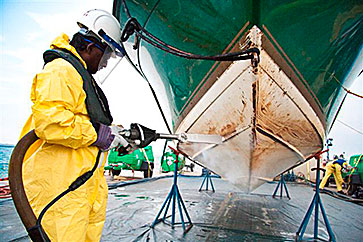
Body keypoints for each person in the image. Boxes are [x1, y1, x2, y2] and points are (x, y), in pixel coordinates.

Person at [19, 9, 136, 241]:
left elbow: (85, 123)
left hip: (80, 189)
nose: (105, 63)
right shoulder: (60, 71)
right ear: (91, 47)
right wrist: (99, 134)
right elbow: (51, 122)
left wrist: (120, 135)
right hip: (61, 191)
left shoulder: (78, 76)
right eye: (106, 55)